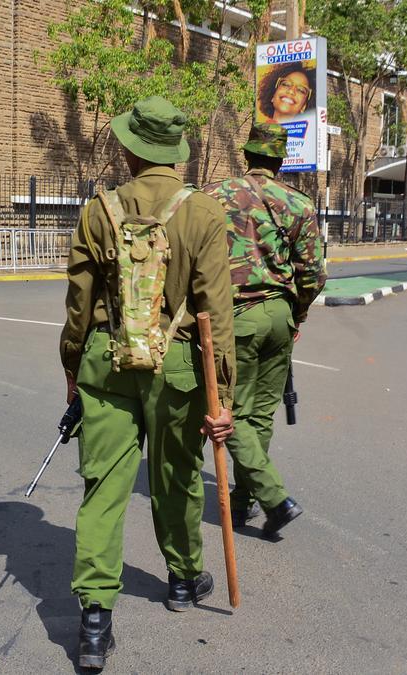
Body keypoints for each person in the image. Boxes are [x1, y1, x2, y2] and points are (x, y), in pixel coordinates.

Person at [59, 96, 236, 671]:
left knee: (103, 489)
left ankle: (93, 619)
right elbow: (216, 315)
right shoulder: (204, 213)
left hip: (106, 365)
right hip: (178, 367)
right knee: (176, 476)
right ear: (175, 153)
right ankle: (184, 580)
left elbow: (79, 303)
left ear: (131, 148)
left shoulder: (98, 211)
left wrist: (71, 366)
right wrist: (223, 398)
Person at [204, 123, 325, 538]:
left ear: (247, 155)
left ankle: (274, 498)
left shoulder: (214, 197)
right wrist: (299, 316)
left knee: (230, 414)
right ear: (280, 160)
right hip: (279, 315)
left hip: (234, 316)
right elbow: (313, 273)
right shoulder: (299, 204)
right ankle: (243, 503)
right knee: (259, 416)